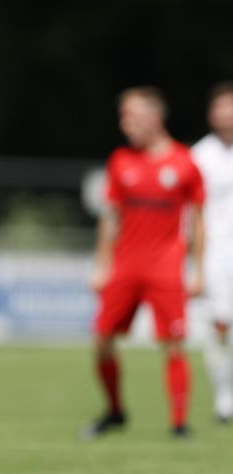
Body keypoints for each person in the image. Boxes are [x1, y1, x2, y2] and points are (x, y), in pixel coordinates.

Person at [86, 86, 205, 438]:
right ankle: (115, 411)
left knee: (173, 342)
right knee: (102, 341)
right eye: (123, 116)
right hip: (125, 265)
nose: (125, 124)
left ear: (155, 118)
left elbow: (197, 221)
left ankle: (179, 422)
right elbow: (110, 218)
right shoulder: (120, 161)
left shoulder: (184, 163)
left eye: (132, 116)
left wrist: (196, 270)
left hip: (165, 265)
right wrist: (102, 264)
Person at [192, 82, 233, 422]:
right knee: (219, 324)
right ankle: (223, 395)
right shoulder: (200, 155)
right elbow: (191, 212)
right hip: (216, 252)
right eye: (220, 107)